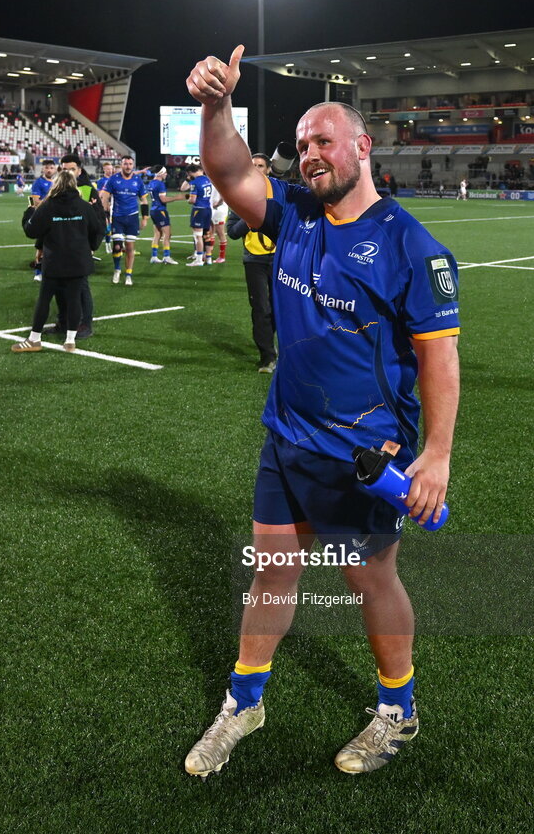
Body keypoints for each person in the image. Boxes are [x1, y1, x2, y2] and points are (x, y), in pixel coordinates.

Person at [184, 46, 460, 776]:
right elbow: (229, 171)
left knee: (368, 579)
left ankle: (397, 711)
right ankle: (245, 702)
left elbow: (439, 358)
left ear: (362, 147)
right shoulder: (295, 217)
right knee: (271, 571)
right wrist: (215, 106)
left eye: (323, 140)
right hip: (287, 440)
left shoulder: (411, 246)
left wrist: (433, 455)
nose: (309, 154)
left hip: (365, 456)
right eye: (302, 144)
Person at [11, 169, 102, 354]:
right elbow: (98, 229)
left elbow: (31, 231)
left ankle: (34, 339)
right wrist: (90, 246)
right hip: (78, 261)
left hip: (55, 262)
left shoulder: (48, 205)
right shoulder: (84, 206)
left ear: (56, 184)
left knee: (44, 299)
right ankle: (70, 341)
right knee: (75, 299)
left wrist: (28, 212)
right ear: (73, 184)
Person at [226, 154, 277, 372]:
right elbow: (232, 232)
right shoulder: (240, 196)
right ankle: (267, 356)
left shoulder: (279, 193)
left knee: (279, 307)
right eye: (252, 165)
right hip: (254, 260)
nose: (256, 168)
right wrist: (250, 218)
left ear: (268, 169)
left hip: (280, 259)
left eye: (260, 166)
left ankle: (275, 346)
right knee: (260, 308)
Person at [44, 154, 103, 340]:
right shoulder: (56, 190)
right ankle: (63, 322)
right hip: (58, 250)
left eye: (71, 169)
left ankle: (85, 324)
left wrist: (92, 247)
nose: (67, 172)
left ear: (79, 170)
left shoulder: (88, 190)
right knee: (60, 288)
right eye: (64, 169)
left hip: (78, 251)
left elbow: (99, 222)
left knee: (81, 287)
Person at [99, 153, 147, 286]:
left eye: (130, 164)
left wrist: (144, 218)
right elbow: (105, 198)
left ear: (133, 165)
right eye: (125, 164)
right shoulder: (113, 179)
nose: (128, 166)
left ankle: (128, 274)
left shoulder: (138, 180)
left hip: (132, 218)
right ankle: (117, 269)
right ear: (121, 165)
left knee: (130, 247)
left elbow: (143, 200)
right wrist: (106, 216)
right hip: (118, 217)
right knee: (117, 246)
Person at [147, 166, 181, 263]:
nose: (166, 174)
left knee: (157, 234)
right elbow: (163, 199)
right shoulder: (160, 184)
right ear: (161, 173)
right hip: (160, 210)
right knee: (167, 234)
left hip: (153, 210)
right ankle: (167, 257)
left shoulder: (151, 183)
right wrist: (176, 198)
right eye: (165, 172)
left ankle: (154, 257)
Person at [30, 159, 57, 281]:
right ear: (43, 169)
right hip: (42, 218)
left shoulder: (57, 182)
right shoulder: (38, 182)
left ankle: (51, 269)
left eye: (51, 167)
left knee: (54, 245)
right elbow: (36, 202)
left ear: (55, 169)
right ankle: (38, 271)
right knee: (41, 247)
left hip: (55, 219)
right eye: (47, 168)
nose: (49, 170)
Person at [181, 163, 213, 266]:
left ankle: (199, 260)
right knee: (207, 235)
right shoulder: (207, 179)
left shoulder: (195, 182)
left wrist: (188, 200)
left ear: (190, 172)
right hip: (208, 209)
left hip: (198, 210)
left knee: (198, 236)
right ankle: (208, 258)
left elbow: (192, 199)